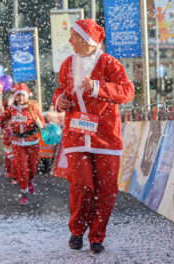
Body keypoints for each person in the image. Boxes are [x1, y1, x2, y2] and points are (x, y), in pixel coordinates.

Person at [53, 19, 134, 253]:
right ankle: (77, 231)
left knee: (106, 190)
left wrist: (98, 87)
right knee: (82, 184)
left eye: (74, 36)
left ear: (87, 39)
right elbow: (60, 88)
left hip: (106, 136)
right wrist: (59, 100)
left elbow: (127, 92)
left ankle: (97, 236)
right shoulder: (68, 63)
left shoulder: (109, 63)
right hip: (76, 134)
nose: (70, 41)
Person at [0, 83, 45, 205]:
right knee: (22, 168)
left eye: (23, 96)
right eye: (18, 96)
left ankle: (30, 181)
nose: (20, 98)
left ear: (27, 96)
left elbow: (42, 124)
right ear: (15, 97)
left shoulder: (33, 108)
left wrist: (38, 123)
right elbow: (2, 121)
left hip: (32, 142)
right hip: (17, 143)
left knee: (33, 167)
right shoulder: (11, 109)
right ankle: (24, 194)